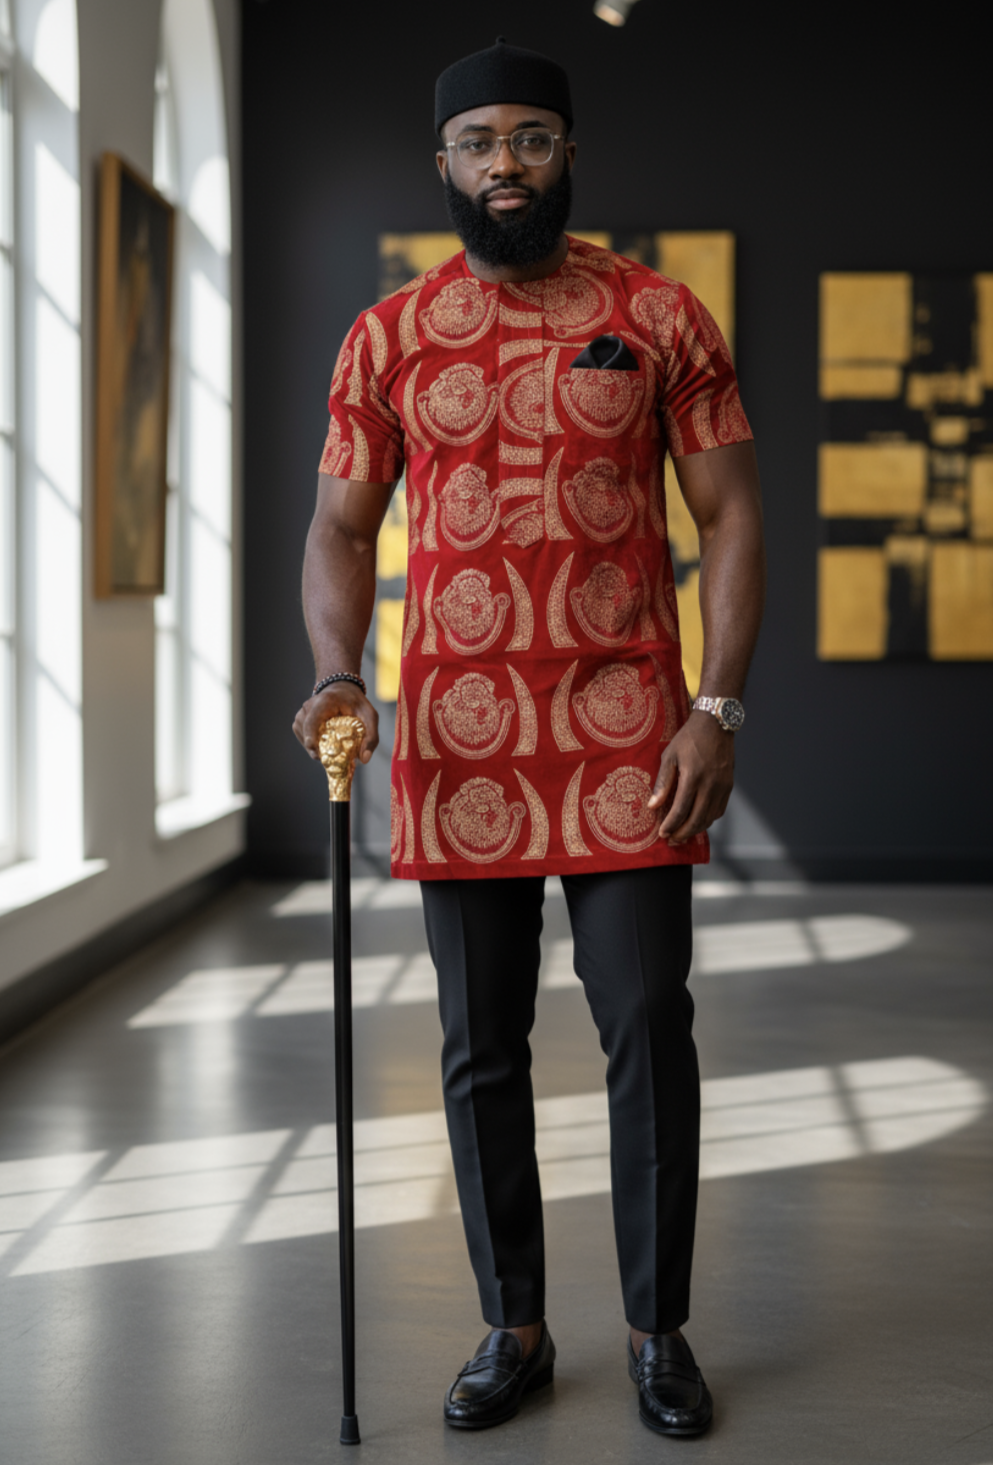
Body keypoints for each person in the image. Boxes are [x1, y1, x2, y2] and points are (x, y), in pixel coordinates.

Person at [294, 38, 766, 1439]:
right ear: (441, 165)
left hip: (631, 728)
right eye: (481, 142)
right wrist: (335, 669)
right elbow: (337, 527)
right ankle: (515, 1325)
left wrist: (717, 705)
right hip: (457, 737)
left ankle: (656, 1330)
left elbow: (732, 514)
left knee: (646, 1029)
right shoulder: (385, 339)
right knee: (479, 1045)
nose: (508, 165)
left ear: (571, 154)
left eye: (534, 140)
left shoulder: (661, 315)